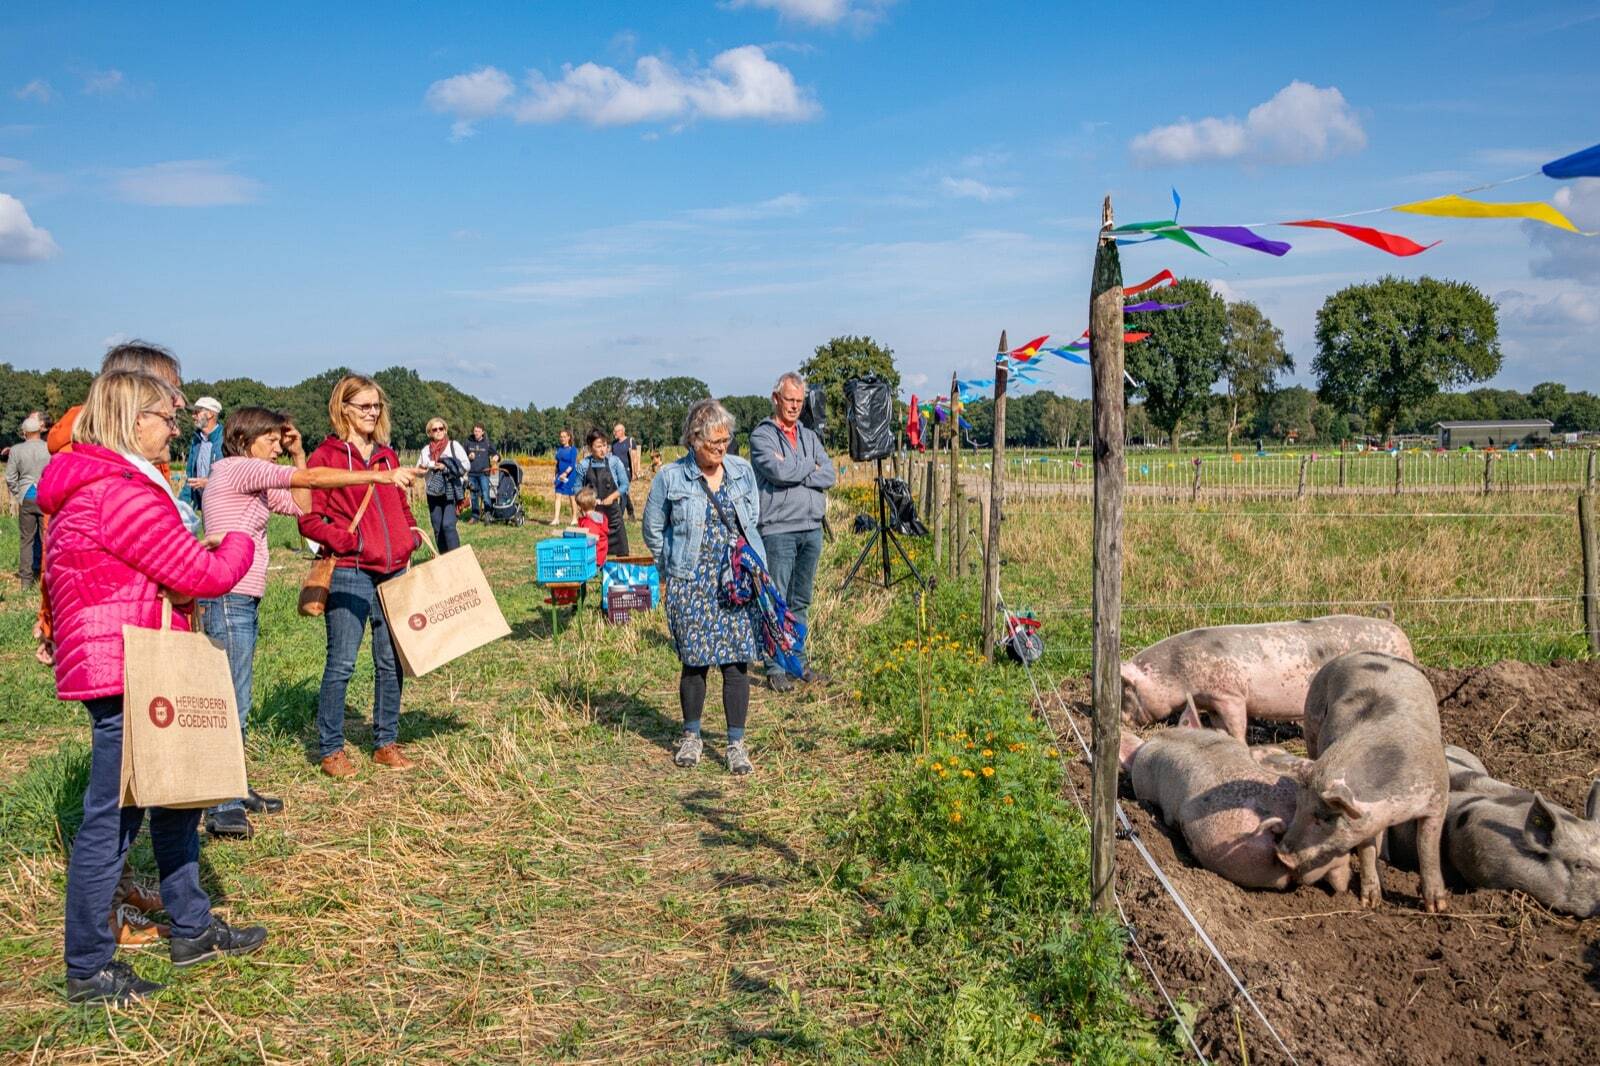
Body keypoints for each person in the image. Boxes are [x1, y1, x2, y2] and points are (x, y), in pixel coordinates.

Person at [39, 370, 267, 1004]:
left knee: (175, 797)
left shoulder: (89, 486)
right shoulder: (122, 492)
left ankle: (190, 927)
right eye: (166, 417)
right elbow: (200, 571)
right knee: (112, 821)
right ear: (130, 421)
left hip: (120, 659)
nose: (175, 426)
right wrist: (240, 539)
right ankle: (88, 967)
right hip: (130, 667)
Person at [199, 407, 417, 839]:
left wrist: (299, 454)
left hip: (242, 594)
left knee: (237, 696)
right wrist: (377, 478)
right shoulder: (237, 469)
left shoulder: (258, 481)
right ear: (244, 439)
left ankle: (236, 789)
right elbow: (315, 483)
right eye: (271, 440)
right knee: (230, 701)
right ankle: (221, 804)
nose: (277, 446)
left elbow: (302, 505)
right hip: (227, 593)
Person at [297, 375, 421, 778]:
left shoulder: (386, 456)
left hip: (393, 572)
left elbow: (399, 503)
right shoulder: (326, 459)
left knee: (391, 662)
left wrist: (410, 534)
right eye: (364, 406)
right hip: (350, 572)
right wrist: (347, 542)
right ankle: (330, 748)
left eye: (376, 406)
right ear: (343, 409)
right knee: (342, 663)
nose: (372, 413)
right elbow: (309, 520)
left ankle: (386, 741)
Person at [642, 399, 765, 775]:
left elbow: (753, 517)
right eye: (715, 443)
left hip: (734, 584)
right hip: (690, 585)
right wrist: (675, 567)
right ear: (694, 439)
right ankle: (692, 736)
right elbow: (652, 528)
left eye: (726, 441)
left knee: (735, 663)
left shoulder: (742, 471)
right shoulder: (670, 477)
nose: (722, 449)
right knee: (694, 664)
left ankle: (735, 744)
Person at [749, 372, 836, 691]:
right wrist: (807, 469)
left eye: (800, 401)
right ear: (776, 399)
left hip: (811, 528)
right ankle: (774, 666)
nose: (795, 406)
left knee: (801, 599)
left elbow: (829, 474)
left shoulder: (810, 436)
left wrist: (803, 470)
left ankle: (796, 662)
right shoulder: (763, 436)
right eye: (790, 400)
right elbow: (777, 471)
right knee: (777, 600)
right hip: (779, 529)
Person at [6, 413, 49, 588]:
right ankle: (45, 579)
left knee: (26, 540)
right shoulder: (49, 448)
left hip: (27, 498)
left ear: (25, 432)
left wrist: (18, 493)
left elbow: (10, 477)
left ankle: (25, 582)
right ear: (39, 430)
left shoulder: (16, 450)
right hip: (46, 498)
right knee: (47, 540)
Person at [576, 429, 631, 557]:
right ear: (590, 448)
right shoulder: (583, 465)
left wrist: (612, 497)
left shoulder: (614, 462)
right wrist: (586, 501)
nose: (603, 449)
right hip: (593, 517)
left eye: (605, 445)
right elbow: (577, 487)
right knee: (593, 552)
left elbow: (625, 485)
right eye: (598, 446)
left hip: (613, 516)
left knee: (622, 552)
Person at [417, 418, 469, 552]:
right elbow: (419, 472)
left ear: (445, 430)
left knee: (448, 526)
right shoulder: (425, 451)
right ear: (430, 433)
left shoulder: (453, 446)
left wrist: (445, 467)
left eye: (441, 428)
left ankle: (456, 560)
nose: (439, 431)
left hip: (451, 491)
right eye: (435, 429)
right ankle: (445, 561)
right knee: (437, 529)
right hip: (433, 493)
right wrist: (424, 468)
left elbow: (466, 465)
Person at [179, 396, 224, 512]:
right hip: (205, 505)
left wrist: (210, 483)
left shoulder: (226, 440)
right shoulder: (196, 440)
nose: (193, 416)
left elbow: (233, 475)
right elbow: (190, 477)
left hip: (223, 505)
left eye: (197, 412)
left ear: (210, 415)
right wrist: (180, 507)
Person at [463, 424, 496, 522]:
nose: (476, 433)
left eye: (478, 431)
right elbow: (462, 456)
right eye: (475, 431)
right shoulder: (468, 442)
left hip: (484, 474)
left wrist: (496, 457)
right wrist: (468, 456)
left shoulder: (487, 443)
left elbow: (496, 454)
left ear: (483, 432)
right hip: (471, 474)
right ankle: (475, 516)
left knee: (486, 494)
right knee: (473, 495)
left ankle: (488, 514)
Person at [574, 485, 609, 567]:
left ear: (580, 507)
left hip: (594, 555)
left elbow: (591, 539)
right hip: (601, 552)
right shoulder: (599, 517)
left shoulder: (589, 522)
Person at [611, 422, 639, 519]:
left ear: (622, 431)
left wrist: (635, 472)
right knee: (624, 493)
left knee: (622, 492)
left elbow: (634, 458)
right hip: (615, 472)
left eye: (616, 431)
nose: (614, 433)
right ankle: (631, 513)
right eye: (614, 431)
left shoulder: (630, 441)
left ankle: (619, 516)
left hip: (626, 471)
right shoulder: (614, 443)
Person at [551, 428, 578, 525]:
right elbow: (557, 464)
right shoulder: (559, 450)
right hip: (560, 476)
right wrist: (555, 475)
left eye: (564, 437)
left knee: (572, 497)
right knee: (557, 496)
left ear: (569, 438)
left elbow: (572, 464)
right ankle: (556, 518)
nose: (562, 438)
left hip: (570, 476)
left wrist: (566, 473)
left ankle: (574, 518)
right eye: (561, 437)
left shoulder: (573, 450)